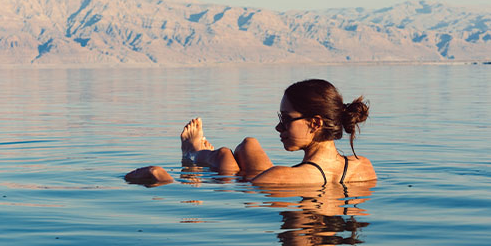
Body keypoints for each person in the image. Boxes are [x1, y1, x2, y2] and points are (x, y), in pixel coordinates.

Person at [125, 79, 377, 186]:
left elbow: (240, 190)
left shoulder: (278, 177)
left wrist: (160, 178)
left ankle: (192, 153)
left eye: (286, 120)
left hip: (276, 182)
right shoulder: (363, 167)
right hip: (306, 178)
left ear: (315, 123)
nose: (278, 128)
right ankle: (199, 152)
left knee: (225, 158)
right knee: (248, 144)